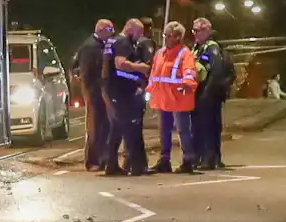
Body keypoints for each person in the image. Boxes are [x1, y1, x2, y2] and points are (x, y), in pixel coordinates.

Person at [146, 21, 199, 174]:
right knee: (164, 131)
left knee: (183, 131)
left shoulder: (185, 53)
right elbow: (154, 75)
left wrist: (187, 83)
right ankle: (164, 161)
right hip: (163, 99)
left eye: (168, 35)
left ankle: (188, 160)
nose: (165, 38)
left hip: (178, 99)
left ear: (177, 37)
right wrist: (149, 90)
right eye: (165, 35)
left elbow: (189, 71)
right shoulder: (160, 53)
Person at [101, 18, 151, 176]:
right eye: (139, 32)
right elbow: (120, 64)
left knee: (115, 128)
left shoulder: (111, 41)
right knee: (130, 128)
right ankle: (136, 166)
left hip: (111, 89)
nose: (140, 36)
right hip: (121, 91)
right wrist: (141, 68)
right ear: (130, 28)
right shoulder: (123, 42)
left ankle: (111, 165)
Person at [191, 17, 232, 170]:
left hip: (208, 94)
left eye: (198, 30)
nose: (195, 33)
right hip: (198, 93)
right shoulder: (197, 47)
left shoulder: (212, 48)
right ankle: (202, 157)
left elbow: (216, 72)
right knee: (199, 127)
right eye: (194, 30)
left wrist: (207, 93)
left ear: (207, 31)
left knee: (209, 127)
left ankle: (209, 158)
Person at [75, 19, 115, 171]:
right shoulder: (90, 47)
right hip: (95, 92)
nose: (113, 32)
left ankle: (102, 158)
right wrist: (92, 92)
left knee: (104, 126)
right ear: (101, 30)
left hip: (101, 91)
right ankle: (93, 161)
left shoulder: (100, 45)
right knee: (95, 127)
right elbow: (86, 72)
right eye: (110, 29)